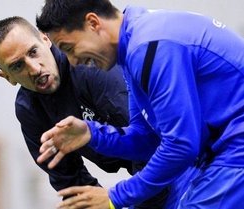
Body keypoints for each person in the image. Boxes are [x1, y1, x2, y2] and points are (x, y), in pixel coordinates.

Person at [36, 0, 244, 209]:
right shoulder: (133, 46)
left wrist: (115, 197)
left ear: (93, 23)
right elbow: (149, 139)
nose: (73, 62)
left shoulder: (149, 45)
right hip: (219, 151)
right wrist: (91, 134)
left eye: (69, 48)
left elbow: (180, 146)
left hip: (234, 148)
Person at [0, 16, 167, 209]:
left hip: (183, 162)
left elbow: (152, 144)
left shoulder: (89, 64)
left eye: (33, 52)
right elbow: (71, 184)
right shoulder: (29, 109)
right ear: (8, 77)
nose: (35, 68)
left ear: (45, 39)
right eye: (17, 66)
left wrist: (119, 199)